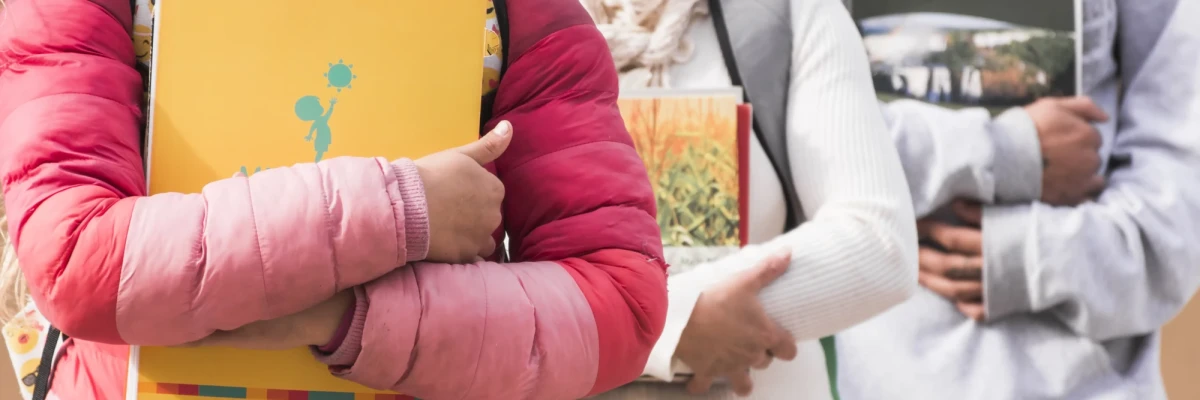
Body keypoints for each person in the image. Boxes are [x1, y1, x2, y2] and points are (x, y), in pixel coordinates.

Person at [0, 1, 668, 400]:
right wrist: (401, 208)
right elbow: (79, 260)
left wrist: (350, 316)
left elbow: (618, 304)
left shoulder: (525, 14)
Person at [833, 0, 1200, 398]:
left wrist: (1035, 255)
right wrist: (1009, 152)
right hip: (891, 374)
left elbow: (1181, 184)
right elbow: (798, 140)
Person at [584, 0, 920, 398]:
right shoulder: (501, 25)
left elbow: (879, 246)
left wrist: (667, 321)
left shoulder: (790, 12)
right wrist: (669, 326)